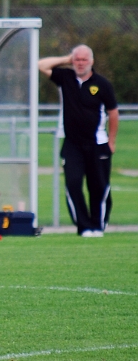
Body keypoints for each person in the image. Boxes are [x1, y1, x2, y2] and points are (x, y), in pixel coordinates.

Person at [38, 45, 119, 237]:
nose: (80, 63)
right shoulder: (65, 78)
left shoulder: (102, 84)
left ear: (91, 61)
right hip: (72, 144)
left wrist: (112, 141)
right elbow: (41, 65)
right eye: (77, 60)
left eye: (84, 60)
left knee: (98, 186)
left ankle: (97, 225)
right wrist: (66, 59)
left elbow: (113, 113)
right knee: (73, 184)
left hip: (97, 143)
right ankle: (83, 227)